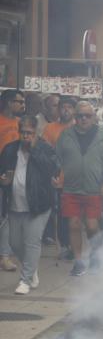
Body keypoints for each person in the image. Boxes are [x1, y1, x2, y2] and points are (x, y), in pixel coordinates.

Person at [0, 117, 59, 294]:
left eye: (30, 133)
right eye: (23, 132)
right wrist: (2, 180)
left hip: (38, 204)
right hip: (14, 204)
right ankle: (31, 269)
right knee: (14, 242)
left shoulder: (44, 148)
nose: (26, 136)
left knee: (32, 242)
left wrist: (33, 150)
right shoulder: (10, 149)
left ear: (36, 133)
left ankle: (25, 280)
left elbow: (53, 168)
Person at [55, 101, 103, 276]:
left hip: (94, 188)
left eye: (87, 116)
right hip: (71, 188)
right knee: (73, 224)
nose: (83, 119)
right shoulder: (66, 135)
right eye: (80, 116)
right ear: (75, 117)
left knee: (92, 225)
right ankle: (79, 261)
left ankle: (96, 254)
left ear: (94, 117)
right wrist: (56, 177)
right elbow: (57, 159)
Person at [41, 96, 76, 260]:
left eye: (69, 107)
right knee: (62, 214)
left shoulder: (80, 127)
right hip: (58, 179)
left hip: (78, 179)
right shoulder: (50, 128)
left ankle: (75, 245)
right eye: (63, 107)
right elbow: (45, 153)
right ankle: (65, 245)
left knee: (75, 215)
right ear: (58, 109)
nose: (66, 110)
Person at [0, 89, 26, 272]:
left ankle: (5, 255)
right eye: (19, 101)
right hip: (2, 174)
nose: (22, 104)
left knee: (9, 217)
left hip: (17, 175)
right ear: (9, 103)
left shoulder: (20, 123)